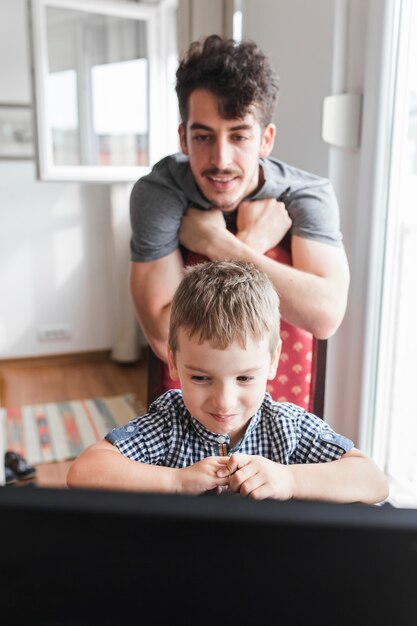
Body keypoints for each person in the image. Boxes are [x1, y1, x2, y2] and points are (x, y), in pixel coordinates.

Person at [129, 35, 350, 410]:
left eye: (239, 135)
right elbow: (162, 334)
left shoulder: (307, 193)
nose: (220, 159)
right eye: (203, 136)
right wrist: (254, 241)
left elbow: (325, 316)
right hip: (187, 410)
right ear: (183, 137)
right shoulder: (159, 192)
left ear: (265, 139)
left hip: (283, 407)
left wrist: (223, 244)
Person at [67, 261, 387, 504]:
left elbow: (373, 481)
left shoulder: (288, 428)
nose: (224, 401)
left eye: (245, 377)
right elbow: (84, 471)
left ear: (273, 361)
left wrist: (289, 479)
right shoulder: (167, 424)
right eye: (202, 377)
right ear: (174, 362)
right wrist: (176, 481)